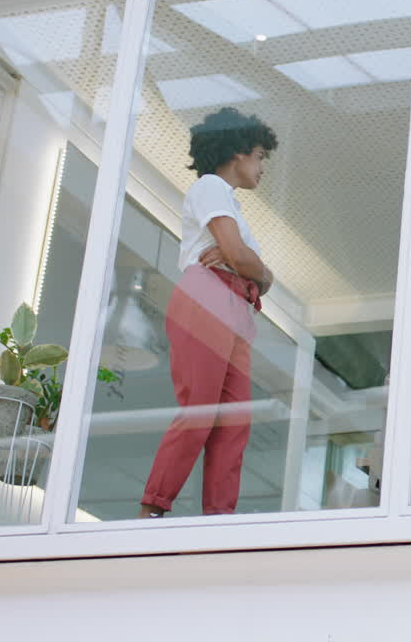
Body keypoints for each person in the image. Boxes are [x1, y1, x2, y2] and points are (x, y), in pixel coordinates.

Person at [139, 107, 277, 518]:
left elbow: (249, 266)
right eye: (260, 155)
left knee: (234, 424)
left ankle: (220, 520)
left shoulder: (227, 201)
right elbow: (237, 256)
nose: (262, 166)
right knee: (200, 409)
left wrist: (256, 269)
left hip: (234, 305)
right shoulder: (211, 187)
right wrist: (253, 265)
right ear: (238, 152)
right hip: (210, 296)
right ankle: (152, 509)